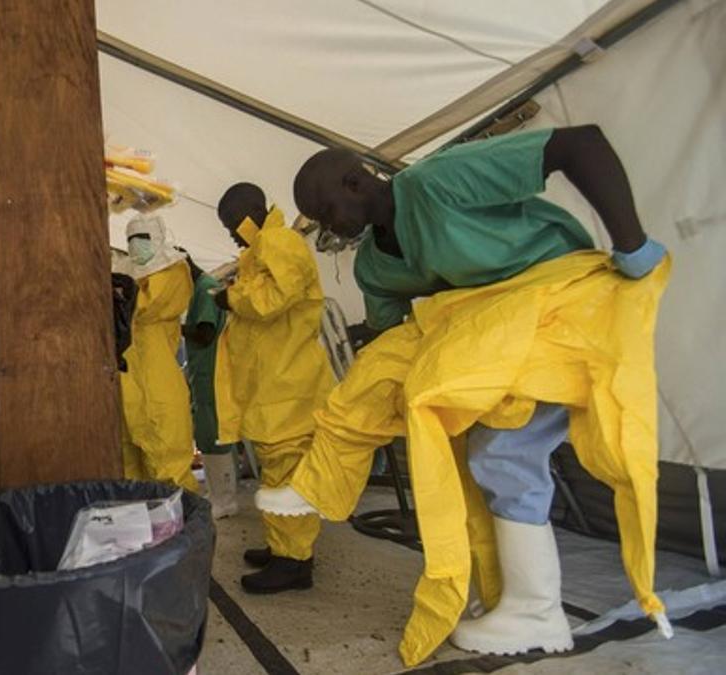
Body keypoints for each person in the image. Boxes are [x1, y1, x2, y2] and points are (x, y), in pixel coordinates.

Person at [264, 126, 668, 657]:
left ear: (355, 182)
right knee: (385, 367)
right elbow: (393, 342)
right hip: (489, 326)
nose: (327, 228)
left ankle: (537, 611)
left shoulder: (438, 180)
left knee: (503, 451)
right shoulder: (373, 266)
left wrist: (631, 242)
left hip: (558, 300)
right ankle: (320, 485)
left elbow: (581, 143)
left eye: (326, 210)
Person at [213, 183, 331, 594]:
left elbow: (273, 298)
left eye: (231, 225)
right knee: (277, 468)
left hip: (289, 385)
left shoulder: (280, 241)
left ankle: (295, 561)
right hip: (275, 385)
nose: (231, 234)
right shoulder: (264, 247)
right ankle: (283, 546)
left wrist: (231, 298)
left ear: (247, 214)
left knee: (288, 471)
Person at [119, 214, 200, 494]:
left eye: (141, 240)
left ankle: (184, 530)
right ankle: (150, 530)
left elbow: (145, 306)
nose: (135, 247)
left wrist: (121, 294)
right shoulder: (130, 280)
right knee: (133, 467)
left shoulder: (173, 273)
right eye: (130, 241)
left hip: (158, 382)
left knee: (171, 466)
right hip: (130, 384)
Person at [178, 250, 238, 519]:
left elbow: (204, 333)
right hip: (204, 371)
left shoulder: (206, 288)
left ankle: (225, 500)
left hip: (213, 372)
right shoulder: (199, 290)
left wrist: (173, 327)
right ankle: (217, 495)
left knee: (215, 435)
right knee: (206, 433)